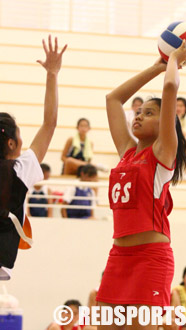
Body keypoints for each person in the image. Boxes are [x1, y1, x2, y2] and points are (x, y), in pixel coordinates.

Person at [96, 40, 186, 330]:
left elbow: (169, 90)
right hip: (118, 258)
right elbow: (113, 99)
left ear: (165, 124)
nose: (139, 115)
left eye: (149, 113)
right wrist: (156, 66)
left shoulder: (163, 153)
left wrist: (175, 61)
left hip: (151, 260)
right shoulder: (127, 151)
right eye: (139, 111)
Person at [0, 35, 67, 280]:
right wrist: (52, 74)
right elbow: (49, 124)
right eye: (19, 136)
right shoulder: (19, 168)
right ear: (10, 143)